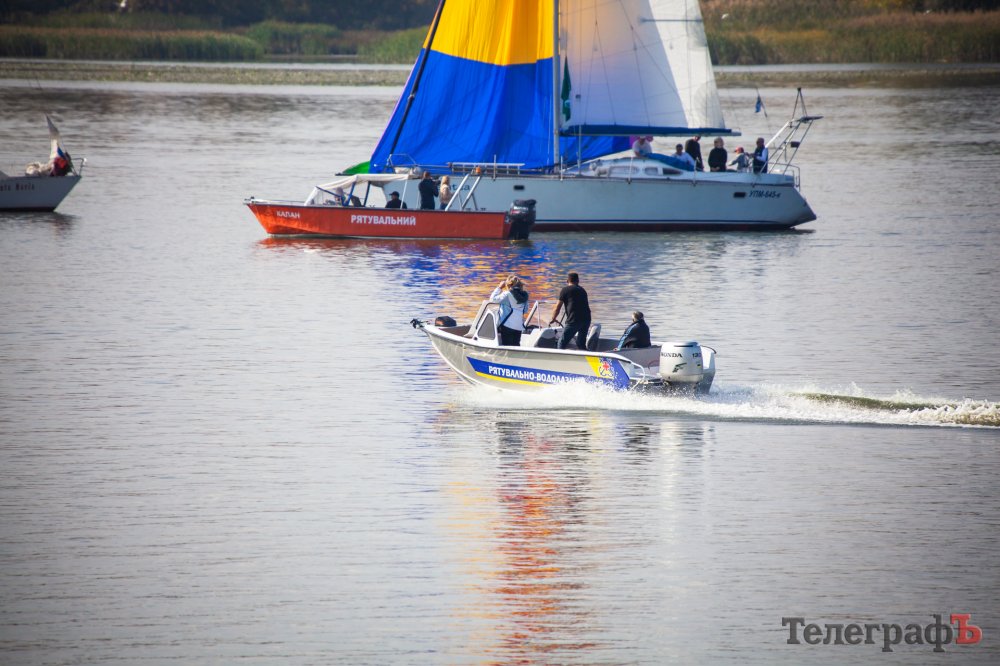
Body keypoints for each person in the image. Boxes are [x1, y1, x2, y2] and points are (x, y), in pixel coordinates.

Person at [549, 272, 592, 350]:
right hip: (586, 320)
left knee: (561, 342)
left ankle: (559, 356)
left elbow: (557, 307)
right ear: (578, 281)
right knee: (581, 343)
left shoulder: (565, 290)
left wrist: (553, 318)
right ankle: (585, 355)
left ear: (567, 281)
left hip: (574, 320)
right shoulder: (582, 290)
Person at [490, 275, 529, 346]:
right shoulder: (525, 295)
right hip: (519, 325)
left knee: (507, 346)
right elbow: (525, 310)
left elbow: (493, 299)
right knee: (516, 345)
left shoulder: (507, 294)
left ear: (509, 285)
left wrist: (499, 288)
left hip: (507, 325)